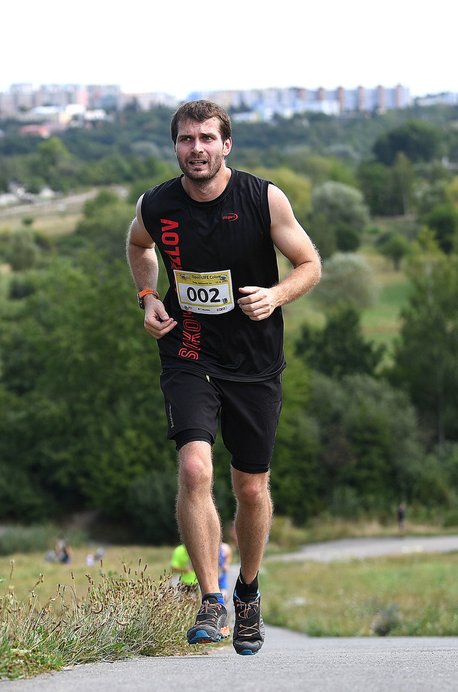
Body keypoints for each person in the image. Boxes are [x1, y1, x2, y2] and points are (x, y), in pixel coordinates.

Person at [126, 100, 321, 656]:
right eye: (186, 140)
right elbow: (139, 246)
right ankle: (210, 597)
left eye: (207, 138)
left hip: (255, 360)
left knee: (251, 487)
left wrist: (278, 294)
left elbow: (311, 263)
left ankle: (248, 592)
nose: (197, 149)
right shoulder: (158, 203)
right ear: (176, 146)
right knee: (193, 466)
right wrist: (146, 297)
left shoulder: (263, 198)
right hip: (187, 349)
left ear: (226, 145)